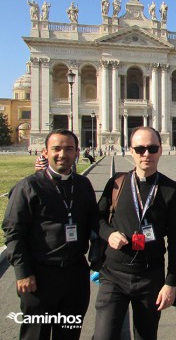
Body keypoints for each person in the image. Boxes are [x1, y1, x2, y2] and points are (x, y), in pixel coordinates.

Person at [2, 129, 99, 339]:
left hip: (75, 274)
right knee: (36, 335)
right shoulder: (28, 186)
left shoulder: (82, 184)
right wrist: (23, 272)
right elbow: (13, 231)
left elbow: (94, 221)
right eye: (56, 149)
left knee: (70, 334)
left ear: (77, 152)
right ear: (45, 152)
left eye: (69, 149)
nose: (62, 154)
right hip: (39, 275)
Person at [93, 126, 176, 339]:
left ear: (161, 150)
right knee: (104, 335)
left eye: (152, 148)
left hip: (150, 276)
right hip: (113, 275)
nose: (146, 154)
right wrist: (109, 234)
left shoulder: (170, 189)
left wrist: (171, 282)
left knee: (146, 335)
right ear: (131, 150)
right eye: (140, 148)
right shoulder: (116, 183)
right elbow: (95, 219)